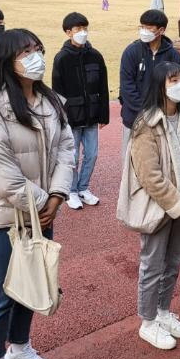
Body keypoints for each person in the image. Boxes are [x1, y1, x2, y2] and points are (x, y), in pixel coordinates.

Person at [0, 28, 75, 359]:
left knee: (33, 283)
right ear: (7, 62)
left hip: (42, 211)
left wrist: (57, 196)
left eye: (38, 50)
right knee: (2, 291)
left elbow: (66, 148)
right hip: (3, 217)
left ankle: (19, 347)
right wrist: (42, 200)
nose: (36, 57)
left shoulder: (50, 101)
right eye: (26, 52)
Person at [128, 61, 180, 350]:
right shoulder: (146, 125)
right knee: (152, 263)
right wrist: (179, 205)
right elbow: (150, 176)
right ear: (159, 85)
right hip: (158, 208)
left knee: (173, 261)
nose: (179, 84)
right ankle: (147, 321)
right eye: (172, 79)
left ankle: (163, 311)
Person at [51, 12, 109, 210]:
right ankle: (72, 191)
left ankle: (84, 187)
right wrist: (62, 118)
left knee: (91, 155)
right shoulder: (61, 59)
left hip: (92, 116)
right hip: (72, 119)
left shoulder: (96, 56)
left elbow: (103, 87)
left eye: (85, 28)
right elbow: (57, 92)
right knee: (73, 158)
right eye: (78, 29)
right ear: (68, 32)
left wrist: (103, 115)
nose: (83, 33)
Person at [119, 9, 180, 148]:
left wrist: (161, 112)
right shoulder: (131, 52)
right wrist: (144, 112)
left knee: (160, 160)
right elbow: (126, 86)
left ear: (161, 30)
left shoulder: (173, 55)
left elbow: (175, 87)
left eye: (148, 27)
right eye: (142, 27)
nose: (144, 31)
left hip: (163, 118)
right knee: (130, 161)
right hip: (134, 118)